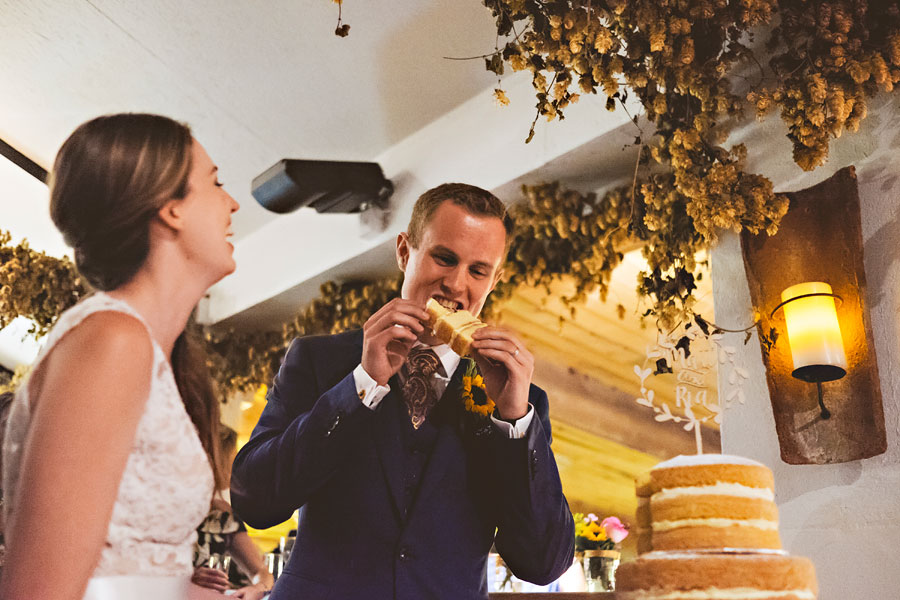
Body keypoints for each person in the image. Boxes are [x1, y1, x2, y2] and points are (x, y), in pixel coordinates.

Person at [231, 183, 575, 599]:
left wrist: (515, 421)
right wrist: (362, 384)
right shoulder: (319, 360)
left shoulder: (520, 400)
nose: (455, 284)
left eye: (477, 270)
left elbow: (543, 563)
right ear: (404, 252)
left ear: (495, 279)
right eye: (444, 258)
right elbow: (254, 501)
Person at [0, 113, 239, 600]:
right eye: (215, 184)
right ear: (170, 209)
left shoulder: (143, 348)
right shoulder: (113, 341)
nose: (232, 203)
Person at [192, 426, 274, 599]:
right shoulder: (166, 511)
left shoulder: (223, 514)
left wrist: (258, 588)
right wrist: (186, 579)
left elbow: (262, 572)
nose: (234, 468)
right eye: (233, 457)